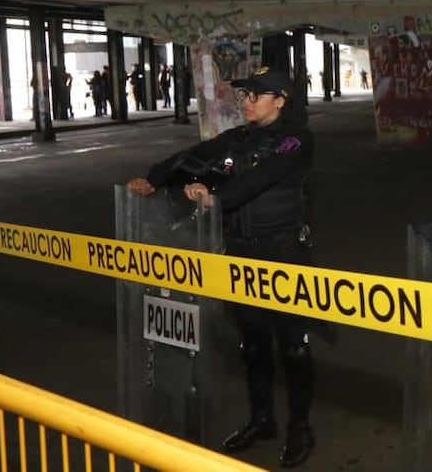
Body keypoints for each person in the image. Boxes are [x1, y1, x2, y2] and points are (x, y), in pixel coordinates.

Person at [125, 67, 317, 468]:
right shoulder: (239, 137)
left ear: (279, 100)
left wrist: (215, 198)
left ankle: (300, 427)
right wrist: (153, 179)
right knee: (253, 342)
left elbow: (262, 179)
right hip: (242, 253)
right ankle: (262, 419)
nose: (246, 102)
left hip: (284, 255)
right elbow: (192, 157)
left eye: (256, 96)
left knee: (294, 347)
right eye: (245, 95)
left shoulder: (295, 140)